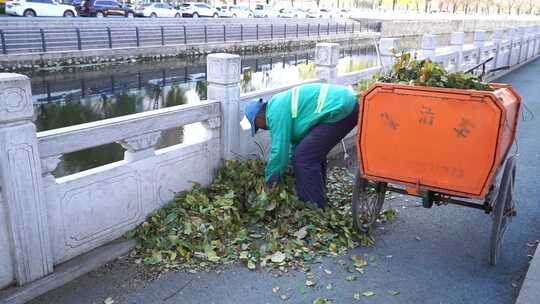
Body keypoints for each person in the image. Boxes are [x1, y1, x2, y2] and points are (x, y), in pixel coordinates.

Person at [244, 83, 358, 208]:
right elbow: (297, 145)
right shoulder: (278, 105)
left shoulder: (274, 112)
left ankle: (314, 211)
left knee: (304, 158)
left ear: (258, 118)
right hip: (346, 105)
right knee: (308, 154)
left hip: (340, 108)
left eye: (257, 126)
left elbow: (279, 151)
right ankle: (319, 196)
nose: (261, 129)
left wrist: (270, 182)